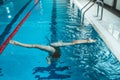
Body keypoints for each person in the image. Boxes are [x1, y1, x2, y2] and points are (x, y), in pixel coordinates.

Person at [9, 38, 96, 64]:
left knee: (56, 57)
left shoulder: (58, 45)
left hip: (55, 54)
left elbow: (74, 42)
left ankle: (49, 58)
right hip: (54, 55)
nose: (61, 43)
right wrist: (18, 43)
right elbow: (33, 46)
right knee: (54, 59)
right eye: (59, 43)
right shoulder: (50, 48)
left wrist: (87, 40)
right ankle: (48, 58)